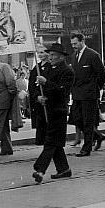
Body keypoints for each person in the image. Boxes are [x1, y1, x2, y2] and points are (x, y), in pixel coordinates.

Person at [31, 43, 75, 184]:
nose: (50, 58)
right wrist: (38, 97)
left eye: (53, 55)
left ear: (61, 57)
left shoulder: (67, 71)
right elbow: (38, 87)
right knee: (54, 142)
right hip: (45, 111)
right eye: (49, 55)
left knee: (50, 142)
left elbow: (62, 91)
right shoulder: (47, 69)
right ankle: (64, 169)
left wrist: (47, 82)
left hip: (58, 111)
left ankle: (40, 169)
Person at [69, 32, 105, 156]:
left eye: (75, 43)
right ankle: (98, 135)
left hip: (89, 95)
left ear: (82, 41)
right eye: (72, 44)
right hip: (77, 94)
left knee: (88, 121)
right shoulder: (74, 56)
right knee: (76, 119)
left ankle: (86, 148)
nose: (73, 46)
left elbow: (102, 74)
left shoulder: (93, 55)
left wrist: (96, 88)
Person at [28, 46, 51, 145]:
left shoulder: (50, 66)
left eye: (42, 52)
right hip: (38, 99)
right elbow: (31, 85)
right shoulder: (36, 68)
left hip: (47, 98)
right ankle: (40, 138)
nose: (40, 55)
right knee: (39, 119)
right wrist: (36, 96)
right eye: (39, 53)